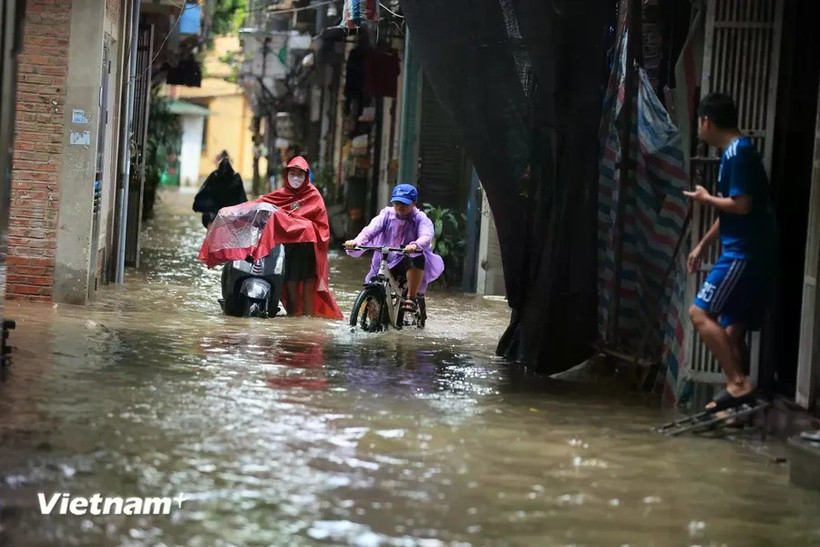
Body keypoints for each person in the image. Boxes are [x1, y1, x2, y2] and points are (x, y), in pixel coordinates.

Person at [684, 92, 776, 413]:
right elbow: (732, 213)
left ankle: (738, 384)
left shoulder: (737, 153)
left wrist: (706, 199)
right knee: (732, 329)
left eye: (699, 122)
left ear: (706, 121)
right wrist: (702, 245)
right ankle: (738, 407)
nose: (699, 128)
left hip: (743, 252)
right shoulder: (735, 152)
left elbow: (742, 205)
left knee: (699, 314)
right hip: (747, 248)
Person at [259, 156, 342, 319]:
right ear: (287, 174)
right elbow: (260, 206)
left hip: (307, 250)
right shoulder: (280, 195)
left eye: (300, 174)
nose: (296, 177)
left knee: (308, 286)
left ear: (306, 176)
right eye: (293, 173)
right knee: (290, 285)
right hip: (288, 249)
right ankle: (293, 320)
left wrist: (301, 227)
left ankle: (307, 324)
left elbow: (322, 227)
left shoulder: (314, 196)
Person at [344, 184, 444, 312]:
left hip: (407, 260)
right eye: (397, 203)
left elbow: (426, 236)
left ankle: (411, 298)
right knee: (371, 288)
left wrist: (415, 245)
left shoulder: (420, 218)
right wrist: (356, 242)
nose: (400, 206)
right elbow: (369, 231)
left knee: (417, 257)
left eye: (404, 203)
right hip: (385, 260)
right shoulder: (386, 215)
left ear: (414, 203)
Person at [193, 155, 247, 228]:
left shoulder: (215, 176)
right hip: (229, 216)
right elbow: (242, 198)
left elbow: (203, 194)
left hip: (216, 215)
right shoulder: (235, 178)